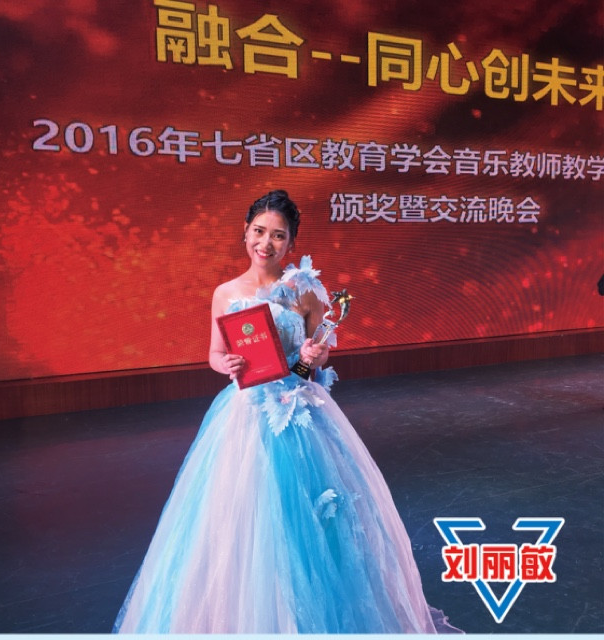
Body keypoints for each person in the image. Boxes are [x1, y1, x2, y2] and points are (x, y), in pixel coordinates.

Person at [113, 190, 458, 633]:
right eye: (259, 232)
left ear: (292, 243)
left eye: (278, 235)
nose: (266, 243)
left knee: (309, 518)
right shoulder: (225, 293)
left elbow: (320, 354)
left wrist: (315, 356)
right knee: (244, 519)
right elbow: (214, 353)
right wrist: (226, 364)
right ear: (245, 232)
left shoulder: (305, 289)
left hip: (299, 410)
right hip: (245, 415)